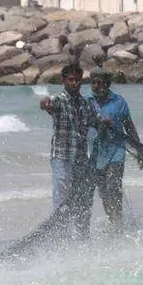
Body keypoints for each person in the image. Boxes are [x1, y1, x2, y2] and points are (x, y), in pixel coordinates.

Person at [39, 63, 110, 240]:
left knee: (83, 199)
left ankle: (82, 238)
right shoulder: (59, 101)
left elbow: (97, 121)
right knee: (62, 199)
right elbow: (47, 105)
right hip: (61, 158)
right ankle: (60, 237)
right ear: (63, 81)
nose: (74, 83)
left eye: (78, 80)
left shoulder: (86, 104)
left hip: (80, 160)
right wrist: (44, 102)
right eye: (70, 80)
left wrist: (105, 122)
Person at [88, 67, 143, 233]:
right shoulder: (87, 102)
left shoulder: (119, 102)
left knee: (113, 187)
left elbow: (129, 127)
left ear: (108, 83)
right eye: (93, 83)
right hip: (97, 156)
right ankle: (114, 221)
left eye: (100, 82)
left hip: (116, 153)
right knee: (104, 193)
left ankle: (118, 223)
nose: (96, 86)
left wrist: (139, 150)